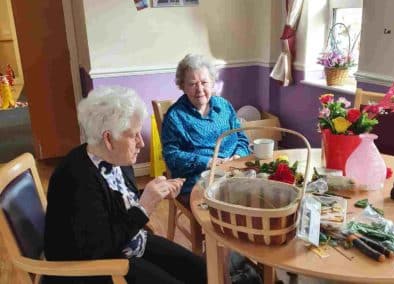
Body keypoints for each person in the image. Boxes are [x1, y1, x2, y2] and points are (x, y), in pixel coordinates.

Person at [44, 86, 207, 284]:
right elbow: (100, 247)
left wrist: (157, 193)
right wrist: (144, 206)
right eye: (134, 135)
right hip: (95, 268)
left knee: (203, 272)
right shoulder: (76, 180)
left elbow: (116, 203)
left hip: (129, 243)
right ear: (108, 139)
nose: (141, 143)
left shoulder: (115, 160)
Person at [161, 53, 250, 199]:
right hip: (197, 177)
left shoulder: (224, 106)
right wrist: (208, 162)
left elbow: (242, 137)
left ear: (213, 82)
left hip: (233, 170)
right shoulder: (175, 116)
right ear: (182, 86)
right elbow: (171, 156)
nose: (199, 89)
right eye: (192, 84)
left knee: (257, 191)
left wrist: (238, 156)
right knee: (230, 198)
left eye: (204, 82)